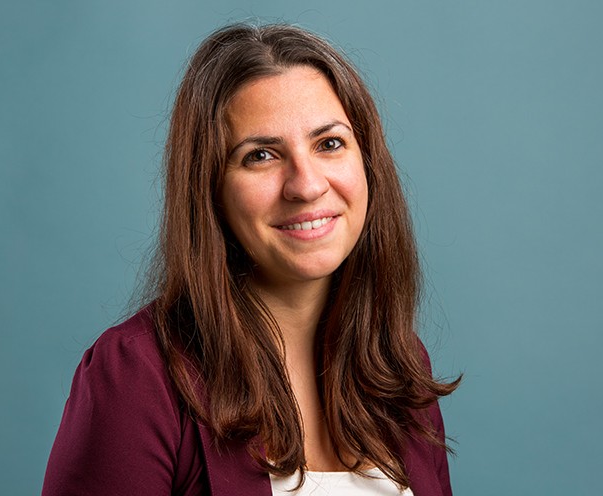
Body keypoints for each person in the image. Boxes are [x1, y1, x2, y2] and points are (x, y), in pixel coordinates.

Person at [42, 23, 460, 496]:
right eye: (260, 155)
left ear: (368, 165)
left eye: (329, 144)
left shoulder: (397, 361)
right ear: (210, 190)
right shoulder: (136, 376)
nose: (306, 185)